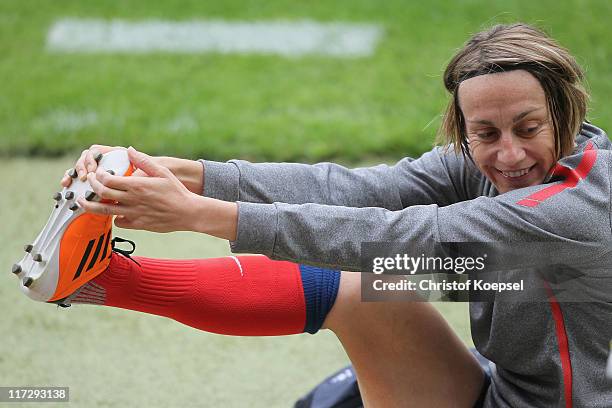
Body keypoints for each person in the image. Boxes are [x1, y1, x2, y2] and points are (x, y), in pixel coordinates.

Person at [39, 23, 612, 406]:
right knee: (368, 286)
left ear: (567, 111)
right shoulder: (491, 165)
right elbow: (362, 189)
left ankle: (101, 281)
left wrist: (200, 214)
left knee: (382, 263)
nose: (508, 154)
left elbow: (408, 235)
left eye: (528, 128)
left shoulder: (569, 209)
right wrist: (177, 170)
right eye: (484, 133)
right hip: (515, 363)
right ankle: (101, 279)